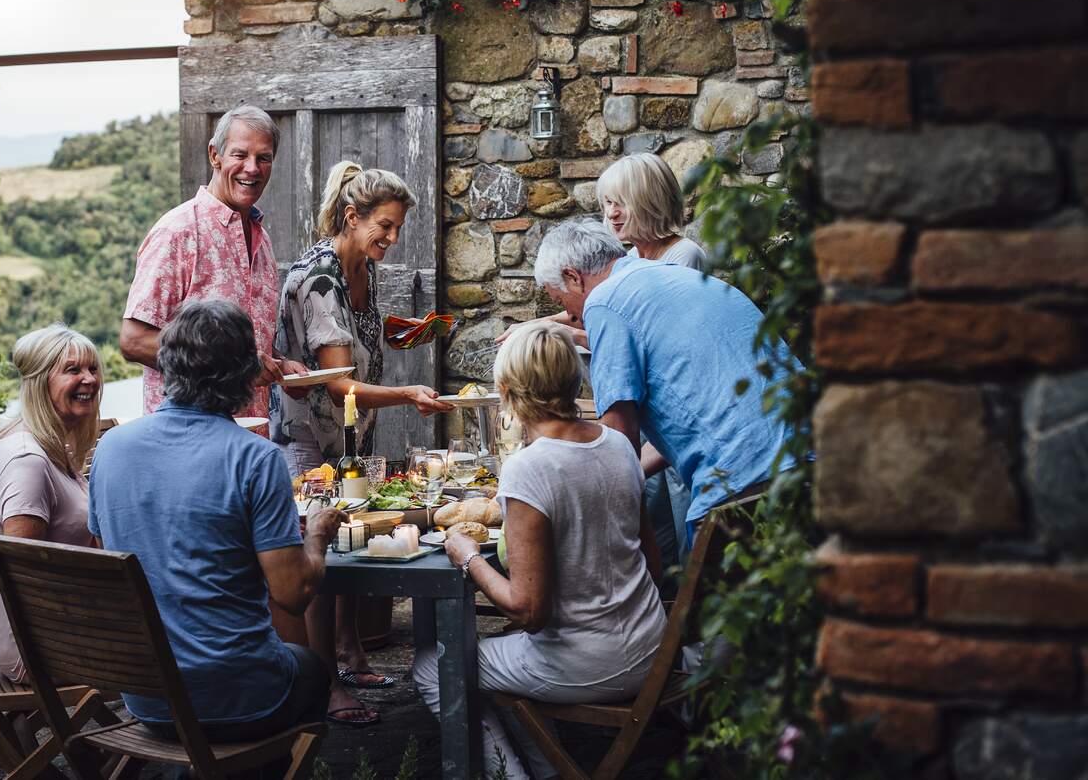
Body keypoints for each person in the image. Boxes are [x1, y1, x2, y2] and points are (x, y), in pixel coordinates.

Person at [413, 323, 665, 780]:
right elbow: (653, 562)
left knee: (435, 665)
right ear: (574, 381)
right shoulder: (619, 445)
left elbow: (530, 610)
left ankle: (511, 775)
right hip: (652, 646)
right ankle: (549, 768)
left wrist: (466, 554)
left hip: (587, 665)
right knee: (501, 655)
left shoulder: (530, 468)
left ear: (506, 391)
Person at [89, 300, 345, 752]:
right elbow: (291, 593)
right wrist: (319, 535)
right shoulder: (254, 458)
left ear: (167, 362)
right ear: (246, 374)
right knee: (314, 672)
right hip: (237, 698)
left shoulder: (111, 448)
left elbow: (105, 553)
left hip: (146, 697)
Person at [271, 160, 453, 725]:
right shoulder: (322, 279)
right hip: (307, 436)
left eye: (398, 228)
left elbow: (361, 344)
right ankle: (326, 684)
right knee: (324, 556)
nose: (393, 240)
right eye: (386, 227)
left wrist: (410, 332)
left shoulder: (360, 272)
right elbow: (340, 381)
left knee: (349, 539)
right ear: (351, 217)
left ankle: (349, 650)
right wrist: (408, 395)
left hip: (349, 434)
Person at [533, 219, 799, 553]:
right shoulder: (676, 276)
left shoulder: (604, 300)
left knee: (710, 601)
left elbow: (618, 442)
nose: (570, 316)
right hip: (808, 454)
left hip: (741, 486)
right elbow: (695, 418)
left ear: (574, 276)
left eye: (561, 301)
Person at [119, 104, 306, 420]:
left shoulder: (263, 241)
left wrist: (279, 364)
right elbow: (134, 341)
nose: (252, 168)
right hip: (186, 443)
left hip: (249, 441)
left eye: (264, 158)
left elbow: (249, 344)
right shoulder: (177, 231)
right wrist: (235, 366)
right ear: (214, 156)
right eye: (240, 155)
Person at [598, 153, 707, 572]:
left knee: (685, 542)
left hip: (672, 429)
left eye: (620, 201)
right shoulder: (632, 262)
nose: (611, 213)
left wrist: (572, 333)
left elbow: (659, 342)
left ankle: (685, 630)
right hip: (646, 424)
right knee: (653, 540)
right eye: (607, 202)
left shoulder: (683, 257)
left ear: (649, 200)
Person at [0, 324, 102, 683]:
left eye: (93, 369)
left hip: (60, 629)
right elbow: (24, 578)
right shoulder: (27, 463)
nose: (90, 380)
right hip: (39, 650)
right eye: (72, 370)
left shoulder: (46, 443)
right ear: (38, 382)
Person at [599, 153, 708, 269]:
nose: (611, 214)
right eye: (609, 202)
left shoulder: (685, 255)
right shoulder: (631, 257)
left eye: (623, 203)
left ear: (653, 203)